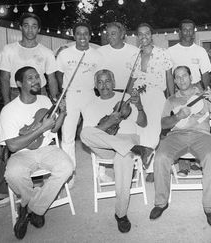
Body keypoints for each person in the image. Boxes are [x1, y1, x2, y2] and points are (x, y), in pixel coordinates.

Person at [0, 12, 59, 218]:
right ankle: (0, 194)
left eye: (34, 26)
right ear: (20, 28)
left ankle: (34, 188)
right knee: (10, 146)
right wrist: (7, 106)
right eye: (26, 25)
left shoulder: (46, 52)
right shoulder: (9, 49)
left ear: (38, 29)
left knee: (41, 138)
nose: (30, 29)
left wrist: (56, 101)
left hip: (39, 95)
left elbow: (51, 78)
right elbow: (4, 78)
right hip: (15, 95)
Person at [1, 66, 73, 239]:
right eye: (30, 78)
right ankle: (36, 207)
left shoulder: (45, 100)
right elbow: (12, 146)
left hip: (47, 148)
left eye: (37, 77)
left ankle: (31, 208)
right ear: (19, 83)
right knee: (12, 174)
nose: (36, 81)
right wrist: (40, 129)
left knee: (67, 167)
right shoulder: (8, 110)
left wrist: (62, 113)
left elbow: (54, 129)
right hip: (22, 153)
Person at [149, 66, 211, 227]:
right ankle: (161, 202)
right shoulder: (171, 100)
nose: (182, 79)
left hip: (201, 135)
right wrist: (177, 116)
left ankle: (209, 206)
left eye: (185, 76)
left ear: (191, 77)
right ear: (174, 81)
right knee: (160, 157)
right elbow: (163, 124)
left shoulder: (203, 95)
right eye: (178, 77)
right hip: (176, 136)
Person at [80, 69, 153, 233]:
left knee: (124, 157)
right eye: (100, 82)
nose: (104, 85)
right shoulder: (90, 106)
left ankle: (121, 214)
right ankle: (138, 150)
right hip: (106, 145)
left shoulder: (127, 99)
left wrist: (139, 107)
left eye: (107, 81)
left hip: (127, 139)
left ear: (113, 83)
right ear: (95, 85)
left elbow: (143, 124)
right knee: (85, 133)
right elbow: (92, 134)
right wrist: (109, 122)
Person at [56, 22, 102, 187]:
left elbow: (100, 78)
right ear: (73, 35)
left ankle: (100, 172)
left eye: (85, 33)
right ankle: (69, 175)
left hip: (90, 95)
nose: (82, 37)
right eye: (79, 33)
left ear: (90, 36)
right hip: (71, 96)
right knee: (67, 136)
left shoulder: (97, 55)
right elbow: (59, 75)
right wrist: (63, 94)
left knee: (94, 133)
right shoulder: (64, 54)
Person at [168, 19, 211, 177]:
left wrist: (205, 92)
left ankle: (200, 159)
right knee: (181, 123)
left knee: (201, 119)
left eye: (191, 30)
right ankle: (184, 166)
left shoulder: (200, 51)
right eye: (185, 30)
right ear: (179, 32)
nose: (188, 33)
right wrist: (170, 95)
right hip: (178, 90)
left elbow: (206, 73)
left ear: (194, 32)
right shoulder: (171, 51)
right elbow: (168, 75)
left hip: (196, 88)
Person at [96, 22, 140, 182]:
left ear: (123, 35)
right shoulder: (100, 51)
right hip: (107, 93)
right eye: (107, 33)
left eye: (113, 33)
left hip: (127, 94)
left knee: (128, 129)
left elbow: (137, 75)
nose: (109, 36)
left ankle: (132, 165)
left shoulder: (134, 51)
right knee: (105, 127)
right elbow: (98, 75)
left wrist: (130, 94)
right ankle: (101, 171)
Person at [129, 23, 173, 181]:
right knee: (139, 130)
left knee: (154, 132)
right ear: (137, 37)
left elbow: (169, 78)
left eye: (146, 33)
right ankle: (137, 165)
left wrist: (172, 99)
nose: (144, 37)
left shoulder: (163, 53)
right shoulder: (135, 56)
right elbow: (132, 79)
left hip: (156, 96)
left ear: (151, 35)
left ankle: (153, 167)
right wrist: (128, 98)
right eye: (140, 34)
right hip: (138, 97)